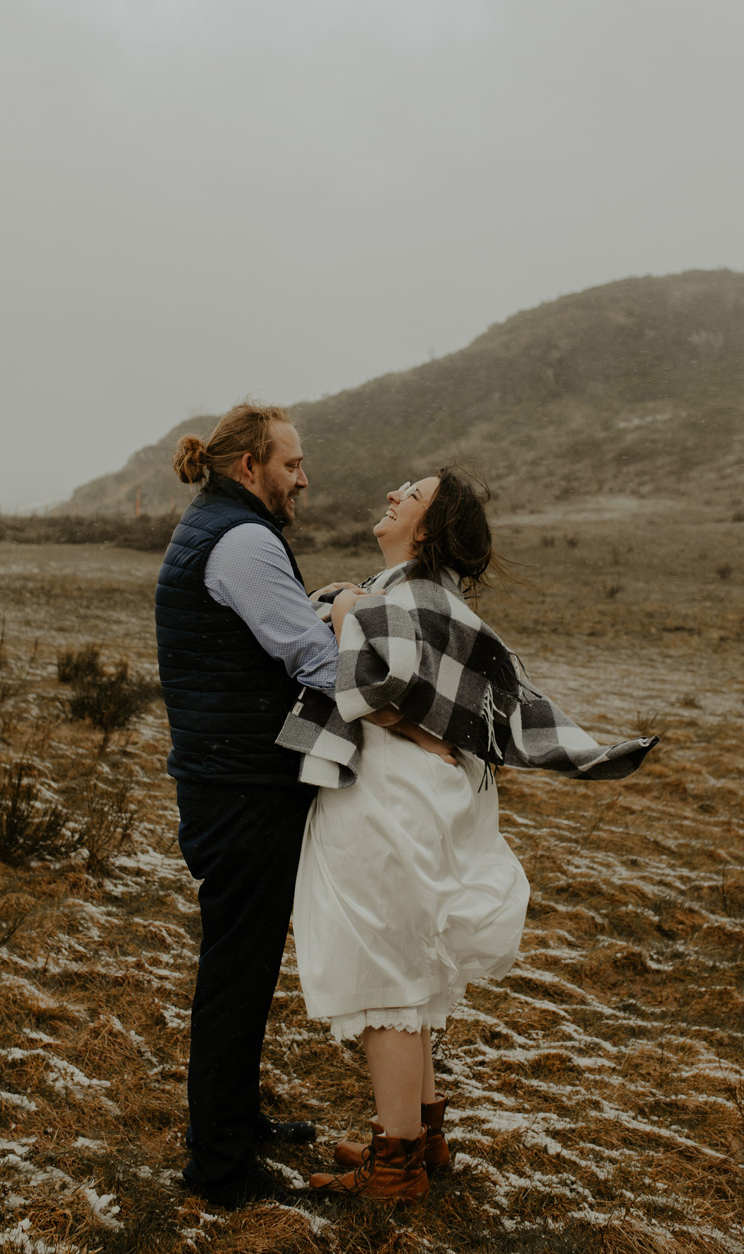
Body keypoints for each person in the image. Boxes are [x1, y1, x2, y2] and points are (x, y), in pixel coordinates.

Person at [278, 467, 658, 1200]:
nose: (392, 492)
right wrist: (354, 606)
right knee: (410, 974)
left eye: (411, 493)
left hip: (387, 803)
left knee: (387, 975)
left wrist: (350, 609)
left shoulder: (403, 596)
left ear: (426, 528)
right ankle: (420, 1138)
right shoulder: (420, 596)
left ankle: (394, 1169)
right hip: (417, 797)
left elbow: (376, 681)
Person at [154, 401, 356, 1208]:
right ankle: (222, 1170)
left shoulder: (220, 527)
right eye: (292, 463)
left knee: (243, 965)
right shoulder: (241, 540)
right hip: (239, 789)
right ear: (251, 467)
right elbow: (315, 664)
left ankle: (234, 1121)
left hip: (228, 778)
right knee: (236, 973)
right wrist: (367, 648)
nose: (304, 477)